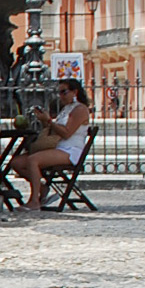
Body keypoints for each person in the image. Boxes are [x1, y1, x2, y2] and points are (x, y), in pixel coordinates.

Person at [10, 78, 91, 210]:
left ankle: (34, 200)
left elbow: (66, 133)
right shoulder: (66, 109)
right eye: (59, 92)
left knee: (33, 160)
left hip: (70, 149)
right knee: (17, 162)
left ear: (75, 92)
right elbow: (54, 130)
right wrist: (45, 121)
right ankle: (42, 188)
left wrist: (49, 121)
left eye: (64, 92)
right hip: (57, 147)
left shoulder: (80, 109)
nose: (61, 96)